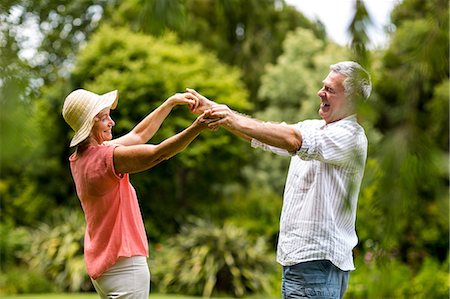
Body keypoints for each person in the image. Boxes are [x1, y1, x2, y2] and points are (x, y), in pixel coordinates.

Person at [187, 61, 372, 299]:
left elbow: (293, 140)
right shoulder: (315, 128)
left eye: (329, 90)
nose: (320, 92)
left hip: (317, 265)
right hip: (302, 265)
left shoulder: (351, 136)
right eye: (322, 86)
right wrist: (217, 110)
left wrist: (231, 118)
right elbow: (264, 134)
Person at [62, 88, 214, 298]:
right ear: (90, 124)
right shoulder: (107, 158)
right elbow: (157, 154)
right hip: (125, 265)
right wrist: (197, 127)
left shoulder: (81, 159)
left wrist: (169, 103)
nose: (112, 122)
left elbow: (138, 135)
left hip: (104, 266)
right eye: (105, 118)